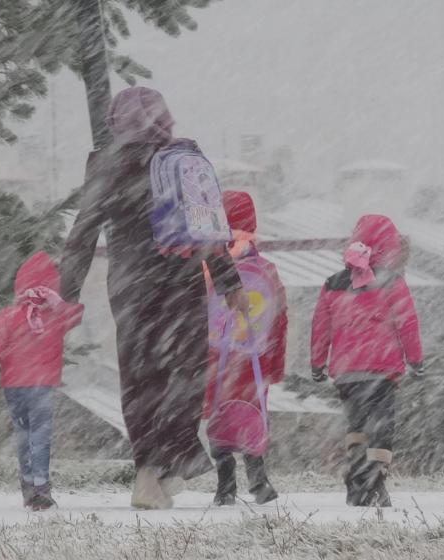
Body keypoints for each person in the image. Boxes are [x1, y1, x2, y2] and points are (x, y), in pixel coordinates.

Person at [59, 87, 247, 509]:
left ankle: (148, 469)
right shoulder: (184, 157)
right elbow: (209, 227)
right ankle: (173, 461)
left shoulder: (106, 164)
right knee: (184, 374)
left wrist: (67, 294)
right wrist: (228, 283)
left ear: (115, 120)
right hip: (180, 282)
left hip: (130, 286)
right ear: (165, 118)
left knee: (140, 376)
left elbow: (82, 234)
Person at [310, 215, 423, 507]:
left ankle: (357, 476)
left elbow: (321, 327)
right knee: (381, 426)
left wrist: (317, 362)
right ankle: (376, 481)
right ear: (390, 247)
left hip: (347, 373)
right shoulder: (392, 283)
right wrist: (416, 360)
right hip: (382, 373)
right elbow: (407, 324)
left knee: (356, 425)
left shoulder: (333, 284)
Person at [0, 251, 84, 511]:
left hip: (14, 386)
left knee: (24, 436)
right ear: (52, 287)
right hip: (41, 386)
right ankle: (41, 487)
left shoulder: (7, 317)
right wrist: (57, 302)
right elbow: (76, 316)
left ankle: (28, 486)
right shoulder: (55, 317)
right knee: (40, 436)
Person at [202, 190, 288, 506]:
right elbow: (280, 319)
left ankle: (225, 487)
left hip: (217, 360)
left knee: (219, 419)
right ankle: (258, 480)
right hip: (255, 362)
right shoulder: (266, 269)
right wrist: (276, 364)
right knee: (253, 418)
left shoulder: (209, 268)